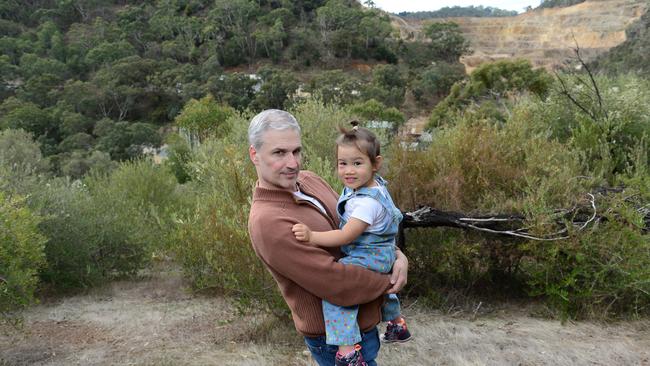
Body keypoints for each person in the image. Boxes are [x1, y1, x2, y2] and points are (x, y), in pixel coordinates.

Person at [247, 109, 408, 366]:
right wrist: (390, 278)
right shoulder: (268, 222)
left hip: (362, 326)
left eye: (296, 151)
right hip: (334, 341)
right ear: (254, 154)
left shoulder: (310, 180)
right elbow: (337, 284)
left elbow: (360, 230)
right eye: (279, 153)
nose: (292, 163)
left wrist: (398, 256)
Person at [292, 123, 411, 366]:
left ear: (375, 163)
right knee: (383, 285)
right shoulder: (372, 187)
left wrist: (312, 236)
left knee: (338, 293)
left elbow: (346, 236)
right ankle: (396, 323)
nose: (348, 171)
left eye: (357, 163)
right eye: (342, 163)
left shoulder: (367, 204)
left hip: (369, 254)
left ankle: (347, 350)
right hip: (382, 252)